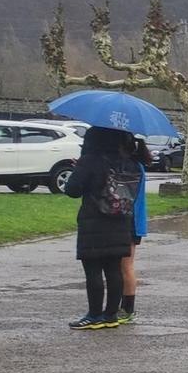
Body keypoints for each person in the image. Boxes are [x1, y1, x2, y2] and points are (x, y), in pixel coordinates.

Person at [63, 127, 140, 331]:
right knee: (114, 269)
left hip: (94, 220)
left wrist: (78, 168)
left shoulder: (90, 161)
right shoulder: (130, 164)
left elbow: (72, 190)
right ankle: (111, 315)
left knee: (93, 270)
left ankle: (94, 314)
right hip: (121, 220)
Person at [122, 136, 153, 323]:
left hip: (131, 222)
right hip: (135, 222)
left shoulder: (131, 167)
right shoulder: (137, 165)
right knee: (125, 266)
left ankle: (127, 309)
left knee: (125, 266)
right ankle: (125, 307)